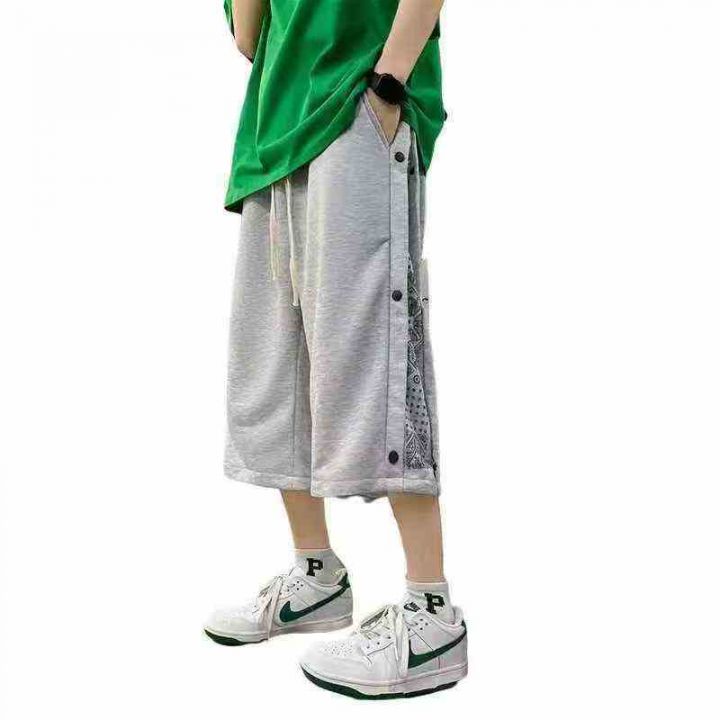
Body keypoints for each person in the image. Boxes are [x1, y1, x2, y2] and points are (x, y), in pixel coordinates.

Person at [205, 0, 467, 699]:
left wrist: (389, 81)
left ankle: (432, 614)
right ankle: (316, 574)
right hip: (272, 129)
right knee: (276, 363)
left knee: (372, 350)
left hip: (359, 105)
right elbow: (249, 36)